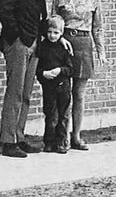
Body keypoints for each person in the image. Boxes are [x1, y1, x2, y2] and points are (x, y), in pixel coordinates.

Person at [0, 0, 48, 158]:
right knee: (15, 92)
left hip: (34, 43)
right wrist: (18, 37)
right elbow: (3, 10)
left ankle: (19, 137)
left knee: (26, 93)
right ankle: (8, 142)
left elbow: (37, 14)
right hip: (18, 43)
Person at [52, 0, 107, 150]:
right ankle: (62, 137)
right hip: (64, 45)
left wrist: (100, 51)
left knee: (79, 94)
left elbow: (97, 28)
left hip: (84, 46)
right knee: (63, 93)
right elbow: (52, 22)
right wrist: (60, 39)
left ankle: (76, 136)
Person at [36, 16, 74, 154]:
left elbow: (70, 69)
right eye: (50, 32)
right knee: (50, 115)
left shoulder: (64, 47)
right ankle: (49, 142)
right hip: (49, 87)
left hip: (63, 86)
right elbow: (37, 68)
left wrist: (60, 70)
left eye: (56, 33)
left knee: (63, 115)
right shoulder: (42, 47)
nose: (52, 35)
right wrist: (43, 73)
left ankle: (61, 142)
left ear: (61, 33)